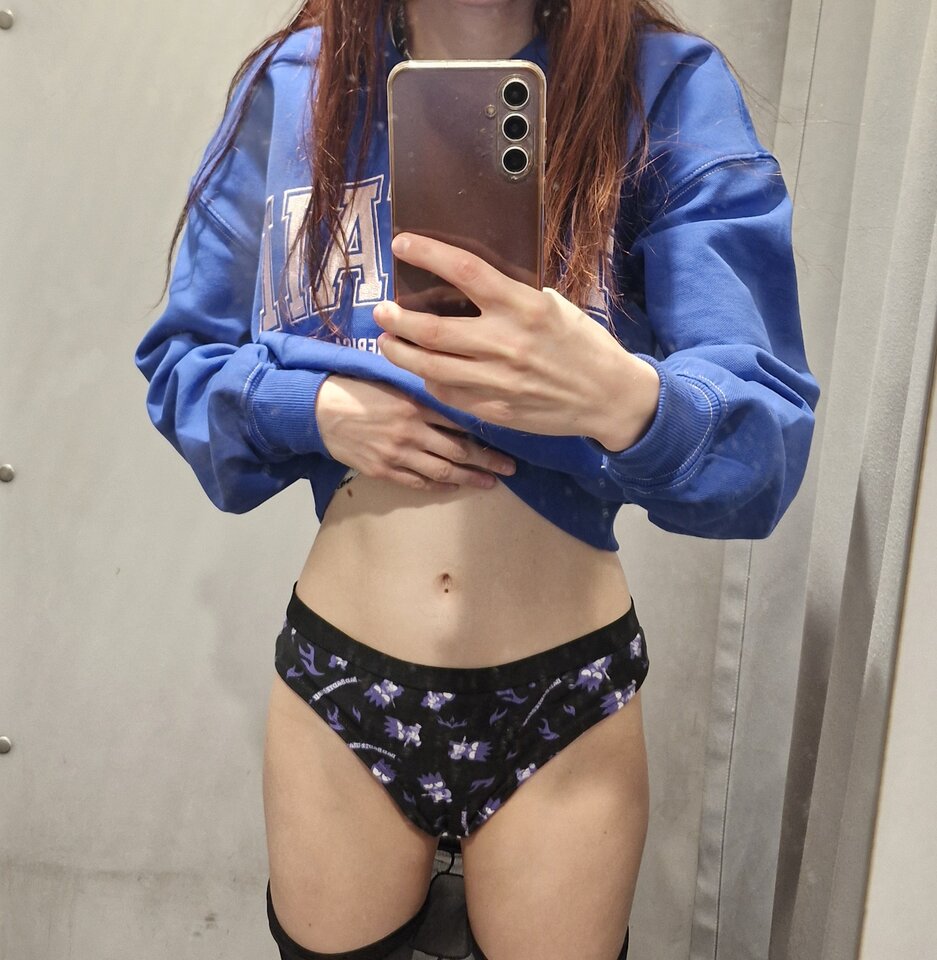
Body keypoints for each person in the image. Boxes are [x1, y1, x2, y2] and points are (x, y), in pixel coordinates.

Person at [134, 1, 821, 957]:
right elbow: (182, 364)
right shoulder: (297, 85)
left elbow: (764, 443)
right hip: (343, 677)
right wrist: (315, 408)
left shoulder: (661, 88)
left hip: (564, 692)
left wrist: (621, 398)